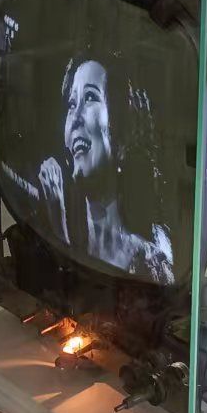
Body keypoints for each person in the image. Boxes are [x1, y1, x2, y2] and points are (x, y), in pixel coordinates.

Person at [36, 52, 174, 286]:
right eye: (71, 104)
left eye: (90, 97)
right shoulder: (62, 222)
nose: (75, 117)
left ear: (120, 131)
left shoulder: (150, 257)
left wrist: (58, 225)